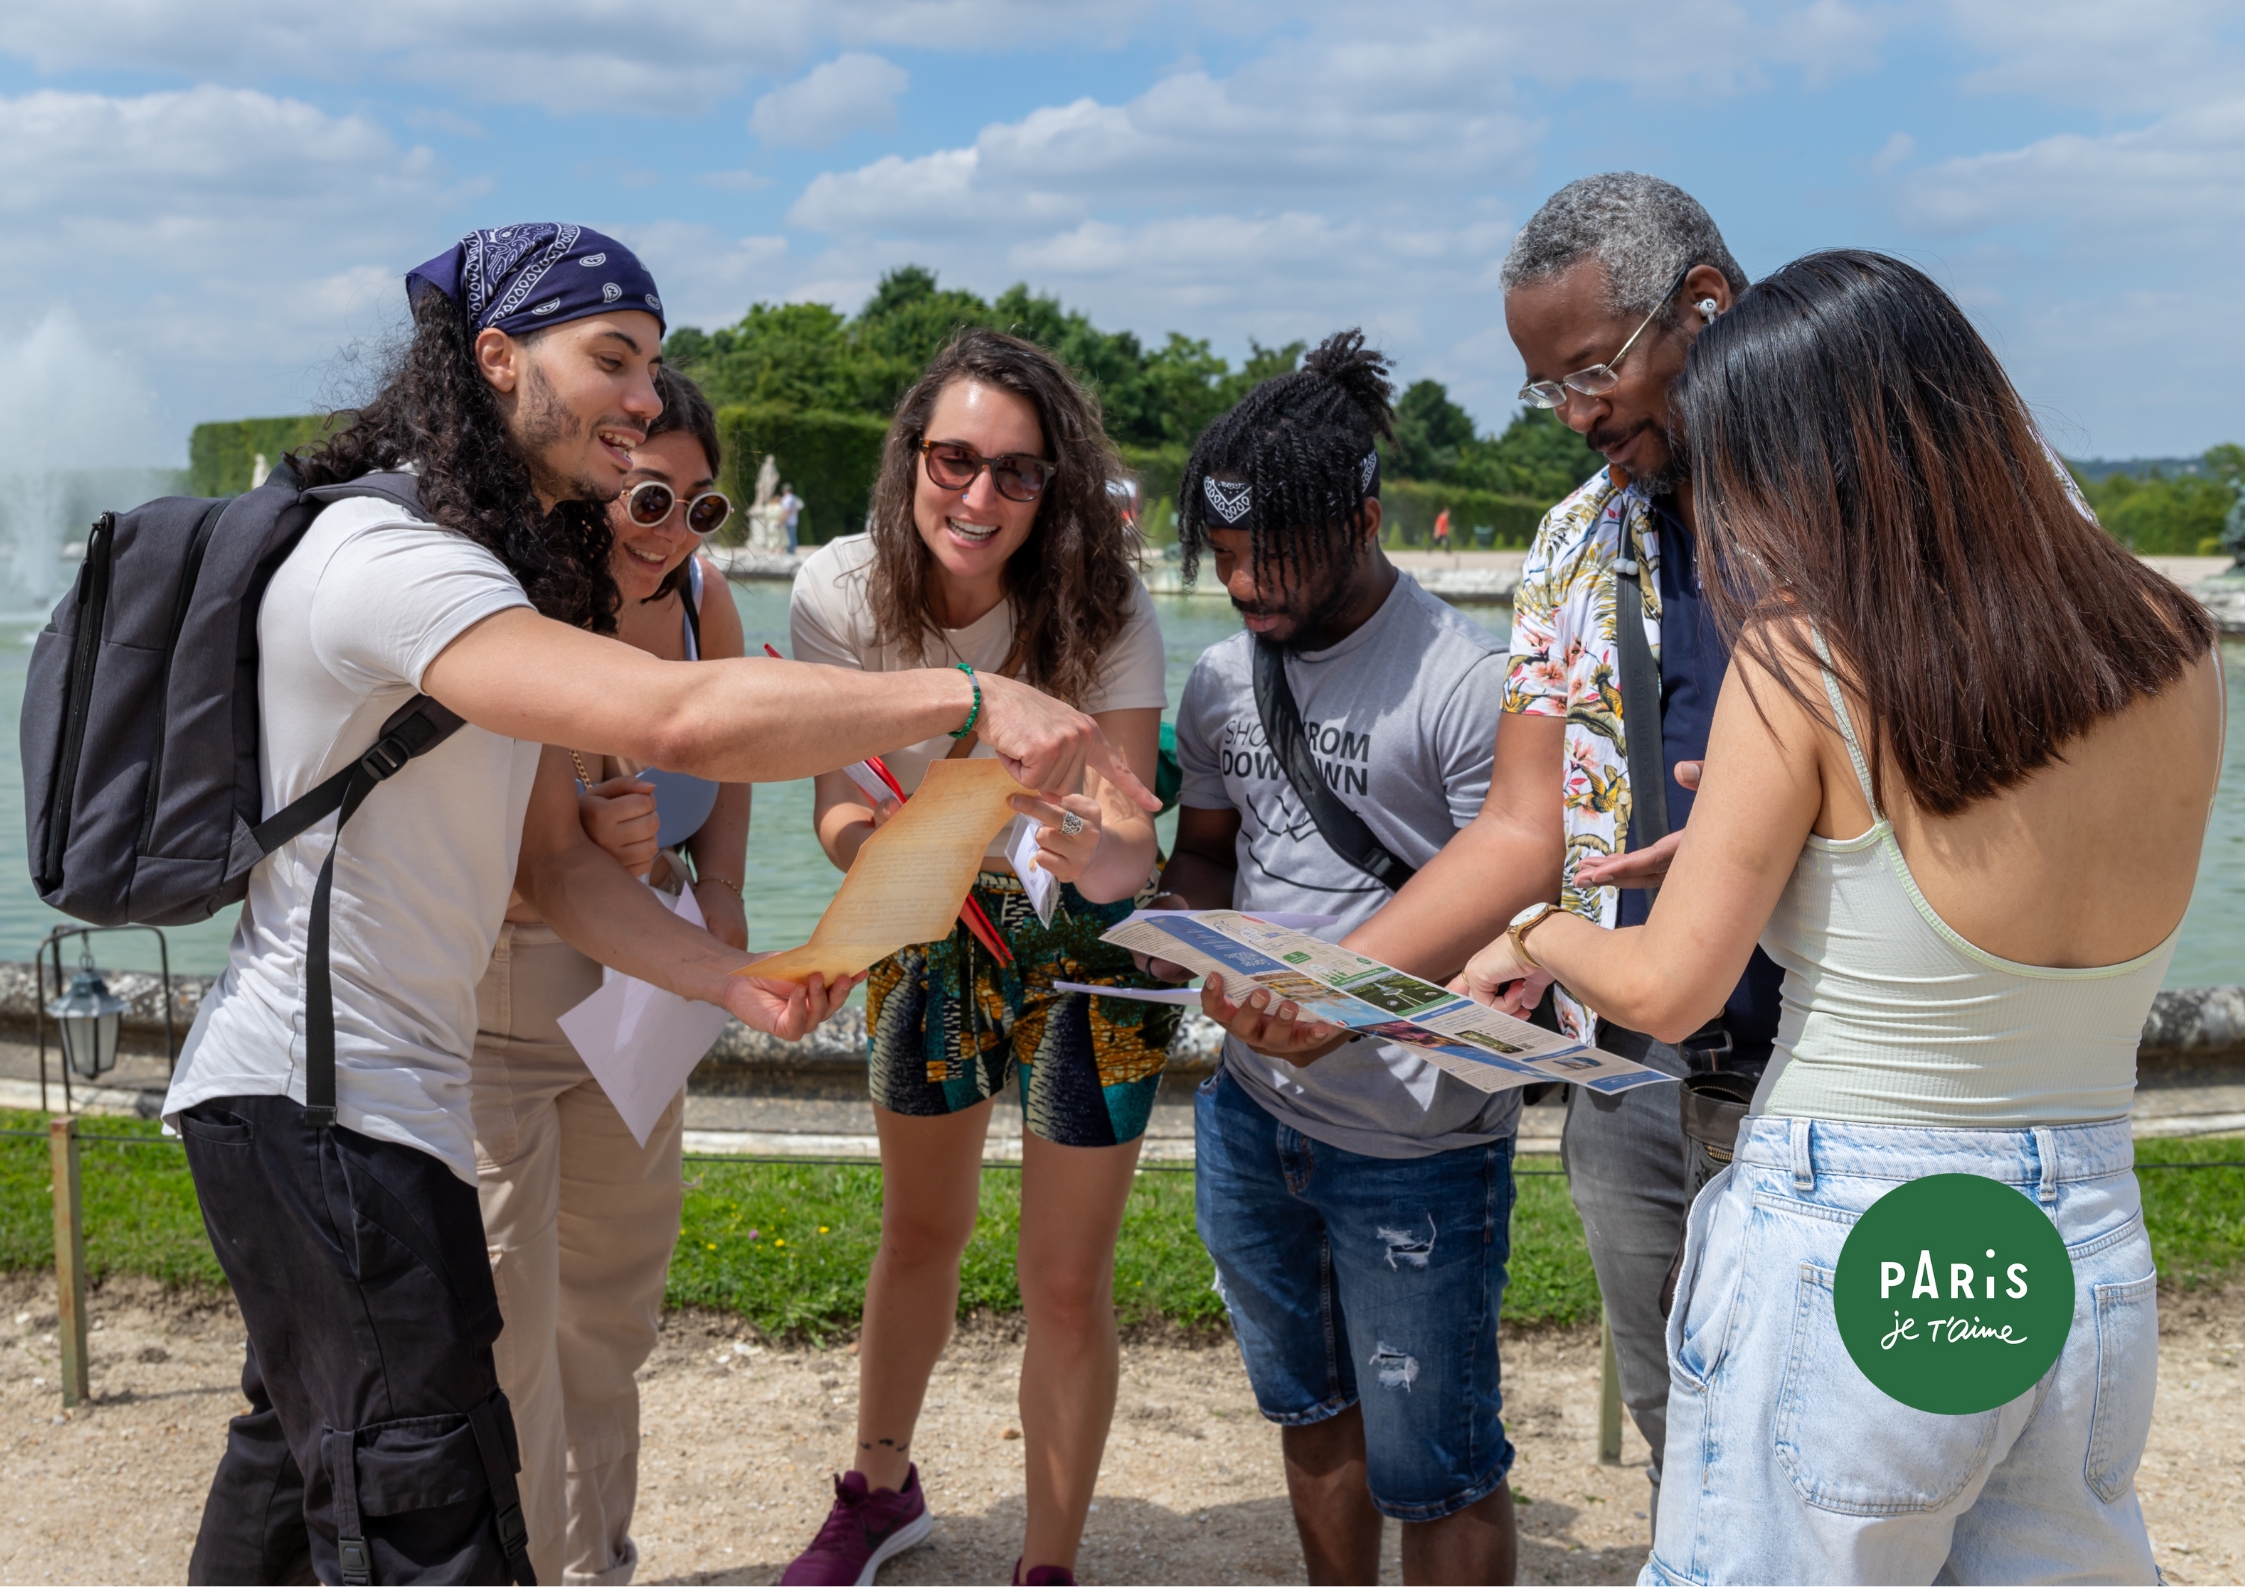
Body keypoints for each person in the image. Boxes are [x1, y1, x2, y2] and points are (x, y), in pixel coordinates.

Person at [166, 223, 1151, 1587]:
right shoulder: (406, 561)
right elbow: (680, 718)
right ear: (497, 359)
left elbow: (559, 867)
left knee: (297, 1473)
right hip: (325, 1097)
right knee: (422, 1503)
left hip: (383, 1090)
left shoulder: (507, 572)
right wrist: (974, 695)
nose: (644, 398)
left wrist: (725, 975)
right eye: (613, 360)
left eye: (652, 365)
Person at [1458, 249, 2222, 1584]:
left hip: (1857, 1216)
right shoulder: (2170, 642)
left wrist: (1534, 932)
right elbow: (1980, 855)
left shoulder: (1800, 653)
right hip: (2081, 1229)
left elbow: (1669, 988)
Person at [780, 328, 1175, 1587]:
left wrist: (1079, 838)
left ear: (1053, 488)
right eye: (954, 458)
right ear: (911, 455)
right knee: (917, 1232)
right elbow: (838, 805)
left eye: (1017, 472)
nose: (979, 495)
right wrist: (905, 863)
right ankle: (879, 1491)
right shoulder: (839, 590)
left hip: (1085, 951)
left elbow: (1130, 852)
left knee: (1063, 1279)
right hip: (928, 923)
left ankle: (1046, 1564)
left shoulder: (1106, 604)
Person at [1154, 331, 1522, 1585]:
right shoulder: (1220, 680)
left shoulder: (1466, 683)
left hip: (1416, 1142)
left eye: (1272, 554)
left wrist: (1350, 1004)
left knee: (1440, 1466)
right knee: (1309, 1409)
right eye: (1222, 554)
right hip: (1253, 1113)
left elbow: (1509, 923)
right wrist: (1166, 929)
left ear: (1364, 519)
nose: (1243, 582)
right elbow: (1211, 857)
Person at [471, 364, 745, 1587]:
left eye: (700, 505)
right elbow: (487, 851)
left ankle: (594, 1565)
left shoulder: (704, 601)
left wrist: (718, 902)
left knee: (612, 1314)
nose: (673, 531)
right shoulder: (517, 608)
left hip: (639, 995)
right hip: (502, 990)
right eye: (649, 498)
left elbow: (728, 773)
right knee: (507, 1330)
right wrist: (582, 843)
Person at [779, 482, 804, 553]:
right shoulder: (795, 498)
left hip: (787, 521)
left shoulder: (786, 499)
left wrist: (781, 521)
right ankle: (792, 550)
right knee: (793, 535)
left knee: (789, 536)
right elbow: (800, 506)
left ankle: (790, 551)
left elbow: (787, 511)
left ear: (784, 490)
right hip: (794, 520)